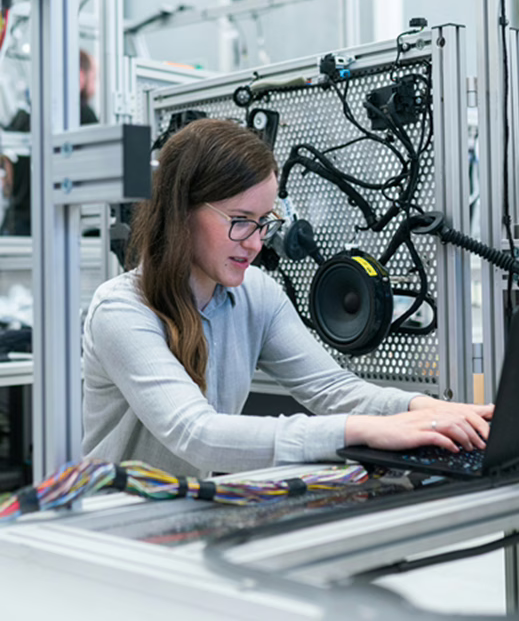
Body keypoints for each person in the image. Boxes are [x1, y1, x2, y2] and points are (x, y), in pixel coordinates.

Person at [82, 118, 493, 477]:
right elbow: (197, 434)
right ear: (181, 212)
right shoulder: (122, 309)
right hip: (115, 529)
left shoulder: (255, 294)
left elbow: (333, 389)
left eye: (264, 223)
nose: (256, 243)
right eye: (241, 221)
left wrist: (425, 409)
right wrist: (360, 431)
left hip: (186, 512)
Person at [0, 49, 98, 235]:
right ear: (79, 76)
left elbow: (7, 168)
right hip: (59, 224)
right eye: (93, 76)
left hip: (18, 226)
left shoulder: (25, 115)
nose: (94, 83)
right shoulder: (82, 114)